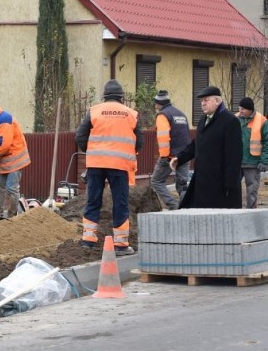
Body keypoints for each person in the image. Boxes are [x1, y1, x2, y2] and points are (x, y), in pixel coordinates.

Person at [75, 79, 144, 256]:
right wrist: (125, 151)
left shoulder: (94, 111)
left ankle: (88, 241)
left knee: (93, 200)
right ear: (122, 97)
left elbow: (80, 136)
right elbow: (140, 142)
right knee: (120, 203)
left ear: (104, 96)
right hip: (120, 165)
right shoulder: (131, 114)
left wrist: (91, 151)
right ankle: (121, 245)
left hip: (96, 164)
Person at [170, 86, 242, 209]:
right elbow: (197, 143)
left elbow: (234, 155)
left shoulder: (230, 121)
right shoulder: (204, 119)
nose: (203, 104)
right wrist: (180, 158)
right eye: (201, 101)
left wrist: (230, 186)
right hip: (202, 180)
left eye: (206, 100)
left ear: (217, 101)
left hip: (219, 183)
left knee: (217, 217)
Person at [150, 90, 191, 210]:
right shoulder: (181, 114)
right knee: (182, 183)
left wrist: (164, 157)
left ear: (158, 104)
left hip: (170, 156)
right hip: (185, 154)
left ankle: (174, 206)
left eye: (155, 103)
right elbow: (186, 134)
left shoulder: (163, 115)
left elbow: (163, 137)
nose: (155, 106)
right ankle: (187, 206)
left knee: (157, 181)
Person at [237, 97, 268, 209]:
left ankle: (251, 212)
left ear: (250, 109)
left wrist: (264, 161)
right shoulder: (235, 118)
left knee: (252, 189)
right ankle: (234, 210)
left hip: (253, 162)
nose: (240, 111)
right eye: (240, 108)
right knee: (232, 188)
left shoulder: (262, 121)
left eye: (243, 109)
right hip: (236, 161)